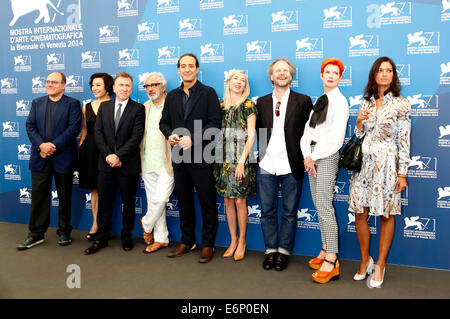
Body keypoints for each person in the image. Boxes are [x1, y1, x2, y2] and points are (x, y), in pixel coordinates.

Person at [348, 56, 411, 288]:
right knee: (360, 214)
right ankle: (365, 260)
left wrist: (402, 173)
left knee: (386, 215)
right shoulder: (366, 103)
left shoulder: (402, 104)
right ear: (374, 74)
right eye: (380, 70)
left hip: (387, 165)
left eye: (389, 70)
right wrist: (358, 122)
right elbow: (359, 136)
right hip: (364, 165)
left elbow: (404, 139)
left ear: (393, 75)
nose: (385, 74)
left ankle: (381, 264)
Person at [160, 53, 222, 263]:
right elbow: (164, 122)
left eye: (191, 66)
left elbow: (215, 124)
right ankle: (187, 241)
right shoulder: (172, 96)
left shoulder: (208, 93)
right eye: (183, 66)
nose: (187, 69)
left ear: (197, 69)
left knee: (207, 203)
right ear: (178, 70)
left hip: (202, 157)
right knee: (184, 202)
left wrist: (193, 140)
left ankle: (207, 245)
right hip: (179, 158)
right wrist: (170, 135)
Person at [256, 58, 313, 271]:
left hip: (292, 165)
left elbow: (311, 132)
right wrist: (261, 156)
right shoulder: (261, 102)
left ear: (291, 76)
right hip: (267, 165)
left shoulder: (303, 100)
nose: (282, 74)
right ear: (271, 76)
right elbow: (259, 132)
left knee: (290, 212)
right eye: (277, 71)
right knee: (267, 211)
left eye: (286, 71)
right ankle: (271, 250)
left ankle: (284, 252)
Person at [17, 72, 82, 250]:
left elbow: (73, 128)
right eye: (47, 81)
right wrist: (41, 146)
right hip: (40, 157)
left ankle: (64, 231)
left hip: (63, 157)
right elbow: (30, 126)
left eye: (54, 82)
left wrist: (52, 145)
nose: (50, 84)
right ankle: (36, 234)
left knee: (65, 197)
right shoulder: (37, 103)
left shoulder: (73, 104)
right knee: (38, 197)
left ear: (63, 85)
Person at [84, 72, 145, 255]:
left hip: (127, 165)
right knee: (104, 202)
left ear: (131, 88)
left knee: (128, 202)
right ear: (114, 87)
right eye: (121, 85)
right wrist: (109, 155)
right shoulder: (104, 107)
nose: (124, 89)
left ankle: (127, 236)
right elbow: (99, 133)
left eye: (127, 86)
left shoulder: (138, 109)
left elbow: (136, 137)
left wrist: (119, 156)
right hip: (106, 164)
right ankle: (101, 238)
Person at [300, 58, 349, 283]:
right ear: (321, 75)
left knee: (325, 206)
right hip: (312, 158)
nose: (330, 76)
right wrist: (306, 156)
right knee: (319, 205)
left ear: (340, 77)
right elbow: (307, 132)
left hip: (326, 157)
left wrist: (314, 156)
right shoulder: (321, 100)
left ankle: (332, 258)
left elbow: (336, 138)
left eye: (335, 73)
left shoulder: (340, 101)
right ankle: (325, 247)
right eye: (327, 72)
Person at [214, 70, 257, 261]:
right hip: (222, 159)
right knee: (227, 201)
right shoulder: (220, 105)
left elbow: (252, 134)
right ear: (228, 82)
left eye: (243, 80)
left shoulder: (248, 105)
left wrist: (242, 161)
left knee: (240, 201)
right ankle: (232, 240)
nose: (239, 82)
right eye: (235, 79)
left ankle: (242, 241)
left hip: (241, 159)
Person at [140, 72, 175, 254]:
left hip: (167, 163)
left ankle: (146, 223)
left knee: (161, 199)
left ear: (163, 87)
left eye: (154, 85)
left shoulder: (173, 105)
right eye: (147, 86)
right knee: (154, 202)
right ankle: (161, 239)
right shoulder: (144, 107)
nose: (150, 89)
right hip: (147, 163)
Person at [78, 73, 114, 242]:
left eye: (99, 85)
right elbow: (84, 131)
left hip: (108, 151)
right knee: (95, 189)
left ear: (107, 86)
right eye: (93, 85)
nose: (95, 88)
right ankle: (95, 224)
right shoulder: (87, 107)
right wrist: (81, 149)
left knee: (108, 188)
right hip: (90, 151)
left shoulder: (115, 104)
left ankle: (106, 225)